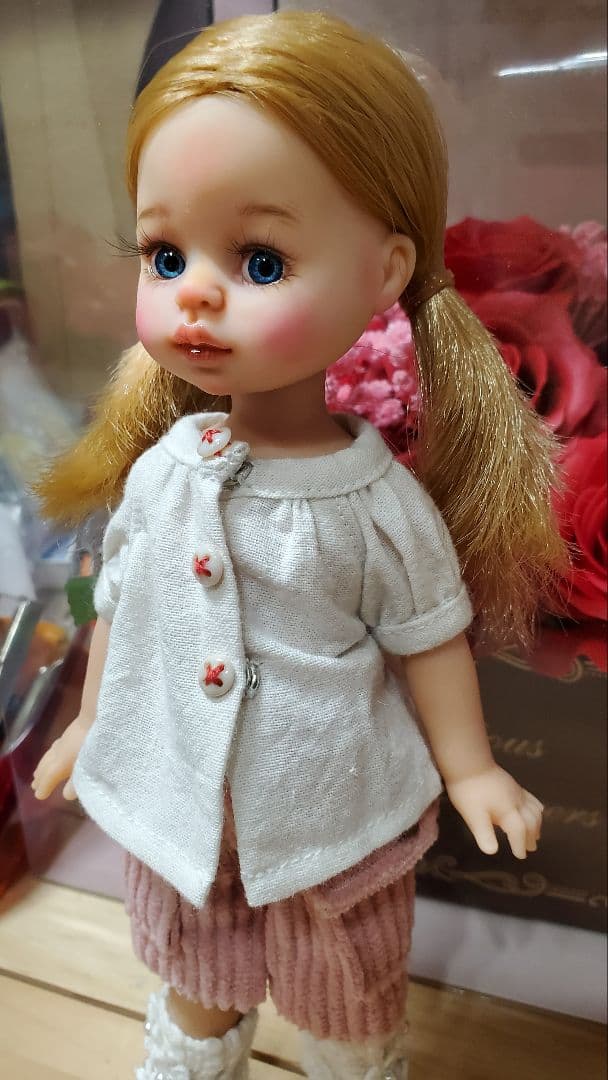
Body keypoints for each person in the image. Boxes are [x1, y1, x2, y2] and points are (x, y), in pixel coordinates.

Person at [31, 12, 564, 1079]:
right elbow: (125, 604)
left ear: (384, 271)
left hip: (334, 817)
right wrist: (91, 724)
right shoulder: (162, 471)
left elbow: (428, 638)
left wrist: (469, 767)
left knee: (345, 1000)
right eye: (165, 254)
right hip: (180, 804)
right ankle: (192, 1055)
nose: (195, 290)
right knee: (193, 972)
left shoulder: (371, 502)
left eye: (261, 260)